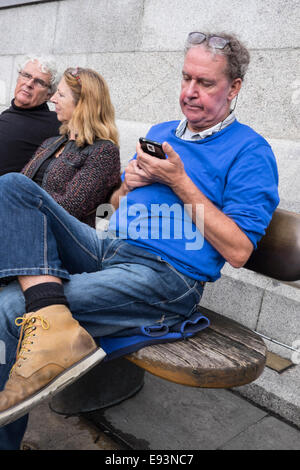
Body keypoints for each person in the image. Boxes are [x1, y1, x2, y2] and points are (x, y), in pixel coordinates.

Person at [0, 32, 279, 449]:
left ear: (234, 87)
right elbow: (118, 205)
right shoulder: (164, 130)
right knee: (13, 187)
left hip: (167, 277)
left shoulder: (251, 152)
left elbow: (238, 250)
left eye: (205, 83)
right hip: (112, 248)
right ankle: (50, 313)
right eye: (186, 78)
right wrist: (128, 185)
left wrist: (180, 182)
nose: (189, 92)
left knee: (9, 308)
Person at [21, 67, 121, 227]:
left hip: (62, 238)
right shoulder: (51, 143)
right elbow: (22, 181)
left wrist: (22, 198)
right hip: (24, 223)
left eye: (60, 94)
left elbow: (70, 208)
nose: (52, 99)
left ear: (82, 104)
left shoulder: (103, 151)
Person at [0, 56, 60, 175]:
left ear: (49, 95)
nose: (29, 84)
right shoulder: (7, 115)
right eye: (26, 75)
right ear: (18, 78)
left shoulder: (56, 123)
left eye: (39, 82)